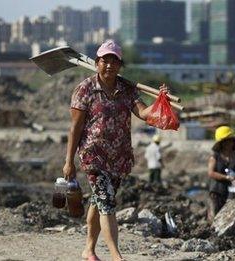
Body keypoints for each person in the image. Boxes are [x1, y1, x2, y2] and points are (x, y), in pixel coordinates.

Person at [63, 39, 172, 261]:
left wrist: (160, 100)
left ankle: (89, 250)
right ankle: (116, 256)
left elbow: (143, 114)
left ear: (120, 65)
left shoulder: (126, 90)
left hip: (119, 157)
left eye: (114, 61)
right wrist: (68, 161)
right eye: (105, 61)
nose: (110, 66)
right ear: (97, 62)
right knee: (107, 203)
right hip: (93, 156)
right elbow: (75, 128)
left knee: (98, 201)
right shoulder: (85, 89)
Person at [207, 125, 235, 223]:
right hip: (216, 192)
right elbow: (211, 173)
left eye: (230, 140)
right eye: (226, 141)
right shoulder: (215, 157)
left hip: (231, 194)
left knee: (227, 219)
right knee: (214, 217)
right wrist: (227, 177)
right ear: (222, 143)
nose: (229, 143)